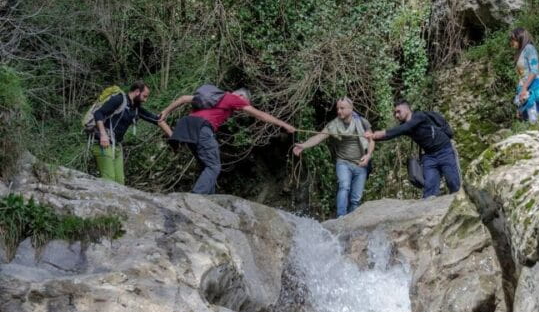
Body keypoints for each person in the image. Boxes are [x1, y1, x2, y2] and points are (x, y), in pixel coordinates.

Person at [160, 87, 295, 195]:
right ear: (242, 97)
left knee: (206, 165)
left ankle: (209, 199)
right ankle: (196, 197)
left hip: (187, 126)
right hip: (202, 127)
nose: (243, 108)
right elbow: (261, 115)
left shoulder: (215, 97)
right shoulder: (234, 98)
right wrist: (284, 125)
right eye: (247, 103)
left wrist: (165, 112)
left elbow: (183, 98)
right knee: (213, 166)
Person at [292, 97, 375, 217]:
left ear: (351, 109)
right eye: (338, 108)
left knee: (355, 199)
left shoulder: (362, 122)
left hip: (361, 164)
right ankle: (341, 218)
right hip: (343, 162)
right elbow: (319, 137)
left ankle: (352, 222)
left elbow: (371, 141)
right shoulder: (334, 125)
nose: (339, 111)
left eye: (342, 108)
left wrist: (368, 155)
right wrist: (303, 146)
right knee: (344, 186)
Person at [365, 100, 460, 199]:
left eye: (398, 111)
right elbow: (393, 134)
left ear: (407, 109)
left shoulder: (419, 116)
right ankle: (428, 213)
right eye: (395, 113)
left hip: (445, 151)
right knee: (430, 188)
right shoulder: (405, 126)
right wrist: (373, 137)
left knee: (453, 182)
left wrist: (382, 133)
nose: (396, 115)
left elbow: (402, 129)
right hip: (429, 157)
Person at [91, 81, 171, 185]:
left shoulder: (135, 108)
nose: (145, 100)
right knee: (109, 181)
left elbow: (156, 120)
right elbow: (98, 113)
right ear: (137, 91)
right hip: (103, 144)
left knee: (120, 183)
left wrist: (172, 135)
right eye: (144, 96)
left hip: (117, 146)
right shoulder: (119, 99)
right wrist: (103, 135)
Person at [509, 27, 539, 121]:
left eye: (513, 40)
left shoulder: (529, 48)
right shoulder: (520, 52)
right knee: (528, 118)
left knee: (535, 118)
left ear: (520, 38)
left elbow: (534, 71)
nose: (511, 43)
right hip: (524, 88)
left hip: (532, 88)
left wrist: (524, 88)